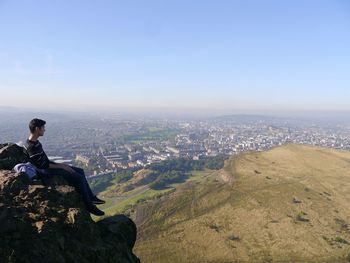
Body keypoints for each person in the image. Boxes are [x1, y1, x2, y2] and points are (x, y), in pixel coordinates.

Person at [24, 118, 105, 216]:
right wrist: (62, 166)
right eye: (43, 128)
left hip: (47, 166)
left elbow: (45, 159)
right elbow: (41, 165)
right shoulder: (31, 146)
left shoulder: (36, 142)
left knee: (80, 170)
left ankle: (91, 197)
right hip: (43, 171)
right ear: (37, 129)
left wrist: (62, 165)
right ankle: (89, 205)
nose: (44, 130)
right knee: (78, 178)